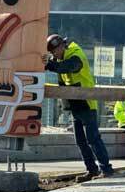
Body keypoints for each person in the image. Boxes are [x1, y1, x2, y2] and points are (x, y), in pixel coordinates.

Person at [43, 34, 114, 182]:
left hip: (86, 103)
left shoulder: (76, 54)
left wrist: (49, 64)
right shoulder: (61, 58)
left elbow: (70, 67)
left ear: (62, 46)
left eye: (54, 51)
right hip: (75, 103)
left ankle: (106, 169)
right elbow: (62, 76)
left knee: (93, 139)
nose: (53, 55)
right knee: (81, 141)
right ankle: (92, 170)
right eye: (52, 53)